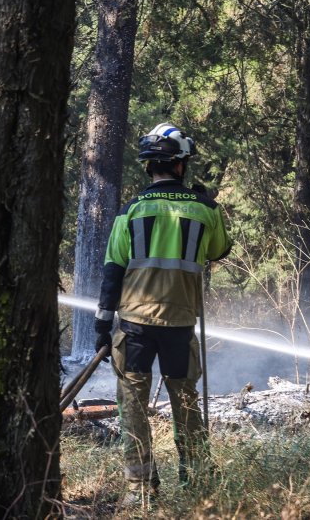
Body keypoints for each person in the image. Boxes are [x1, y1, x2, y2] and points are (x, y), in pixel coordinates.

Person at [92, 122, 231, 505]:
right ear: (181, 165)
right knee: (186, 401)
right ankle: (198, 481)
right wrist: (210, 206)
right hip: (180, 324)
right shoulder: (204, 210)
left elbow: (112, 271)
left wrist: (102, 326)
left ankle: (139, 491)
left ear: (148, 167)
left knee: (132, 405)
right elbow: (219, 250)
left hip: (134, 325)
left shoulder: (130, 212)